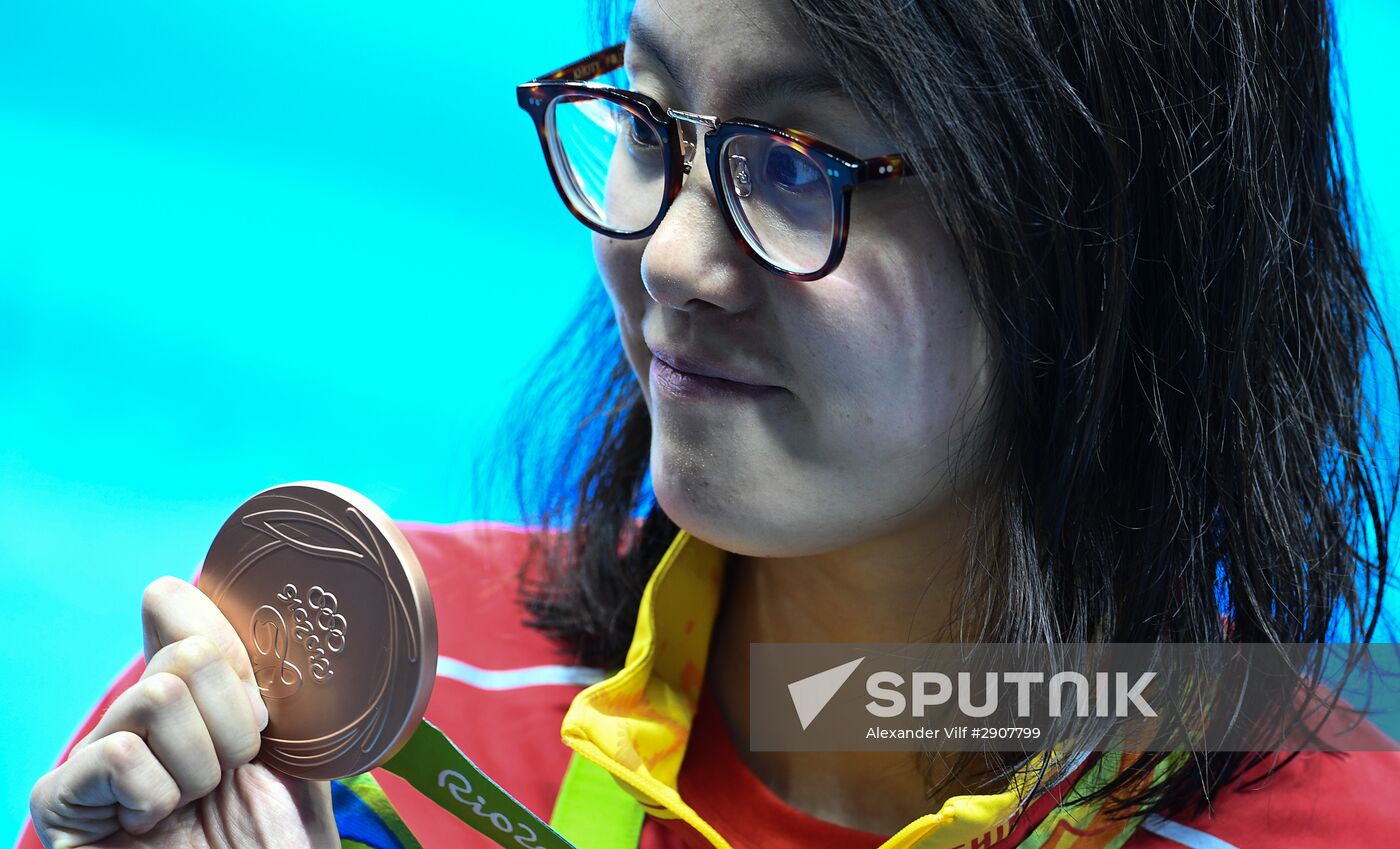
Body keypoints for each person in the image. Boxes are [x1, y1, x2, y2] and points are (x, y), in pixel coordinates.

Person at [25, 0, 1400, 846]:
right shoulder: (326, 722)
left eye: (798, 164)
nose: (674, 258)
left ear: (1112, 232)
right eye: (647, 118)